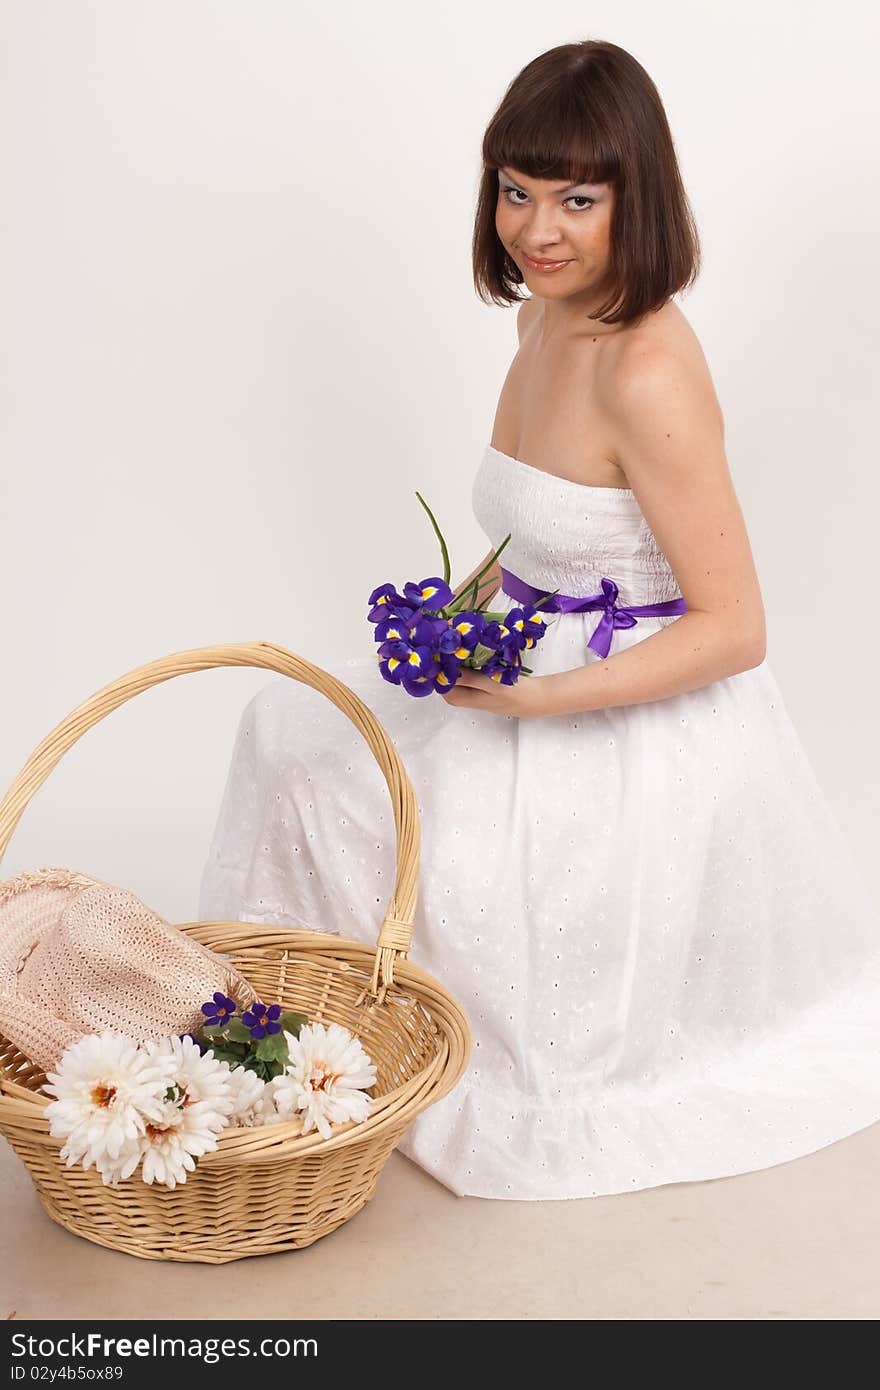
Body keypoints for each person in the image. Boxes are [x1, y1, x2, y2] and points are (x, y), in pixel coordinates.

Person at [198, 39, 880, 1200]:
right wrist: (454, 617)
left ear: (637, 196)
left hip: (622, 724)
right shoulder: (540, 322)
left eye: (576, 197)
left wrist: (540, 698)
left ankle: (356, 1040)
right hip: (515, 667)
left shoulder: (647, 371)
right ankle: (274, 1032)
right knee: (284, 729)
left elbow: (734, 626)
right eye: (516, 191)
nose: (536, 229)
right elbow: (541, 541)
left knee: (436, 847)